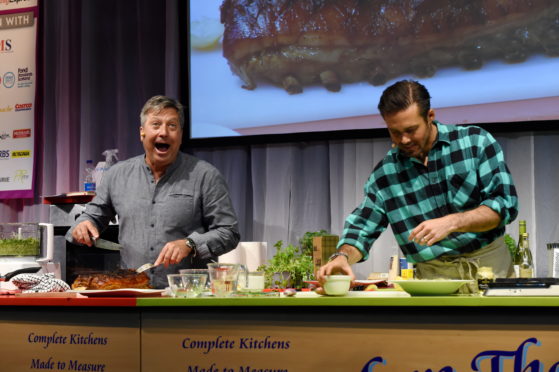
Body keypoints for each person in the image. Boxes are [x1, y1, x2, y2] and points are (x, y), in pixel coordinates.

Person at [318, 80, 518, 292]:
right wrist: (342, 256)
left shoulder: (475, 142)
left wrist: (452, 222)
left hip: (491, 275)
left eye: (411, 130)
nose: (404, 140)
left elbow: (504, 204)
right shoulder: (386, 174)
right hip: (433, 286)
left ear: (430, 116)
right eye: (395, 132)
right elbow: (362, 227)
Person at [67, 95, 240, 288]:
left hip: (188, 295)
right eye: (156, 124)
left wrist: (190, 244)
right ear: (142, 132)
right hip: (132, 291)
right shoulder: (117, 175)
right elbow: (92, 216)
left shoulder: (205, 175)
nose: (163, 132)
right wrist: (84, 225)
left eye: (172, 126)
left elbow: (229, 232)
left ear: (181, 135)